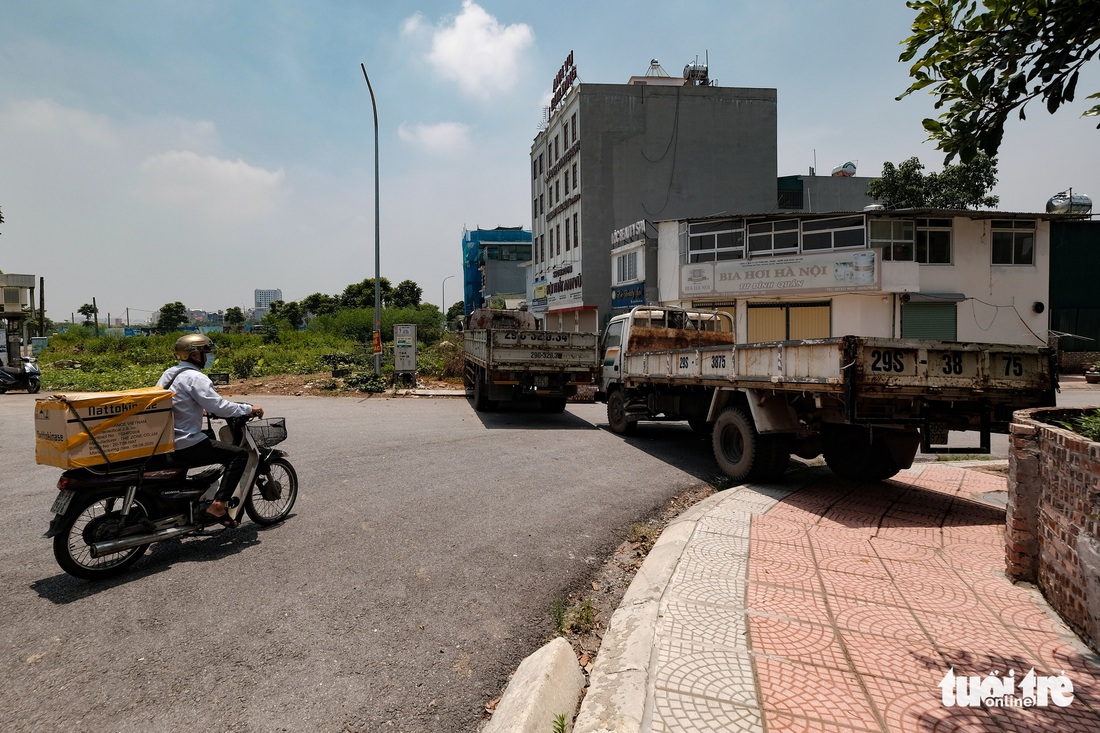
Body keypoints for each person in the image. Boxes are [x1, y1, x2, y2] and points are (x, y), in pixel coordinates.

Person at [157, 334, 263, 528]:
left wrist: (199, 408)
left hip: (166, 440)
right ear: (195, 355)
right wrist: (248, 409)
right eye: (206, 353)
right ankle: (218, 505)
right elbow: (219, 406)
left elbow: (176, 401)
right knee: (238, 456)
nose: (209, 357)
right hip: (185, 441)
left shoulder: (169, 374)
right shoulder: (196, 377)